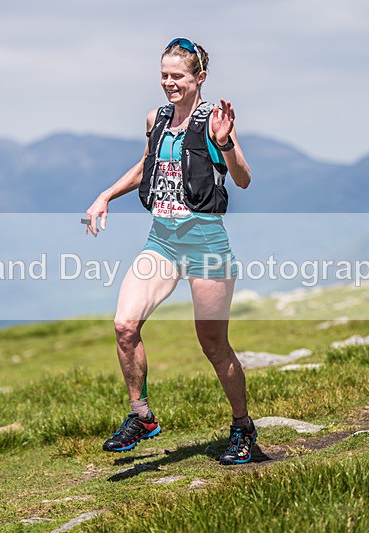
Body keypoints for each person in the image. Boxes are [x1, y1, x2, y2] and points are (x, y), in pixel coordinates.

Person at [84, 38, 254, 465]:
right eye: (163, 75)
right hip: (162, 241)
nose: (168, 83)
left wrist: (226, 142)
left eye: (177, 76)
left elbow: (244, 179)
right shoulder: (155, 119)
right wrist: (106, 195)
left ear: (199, 78)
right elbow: (148, 164)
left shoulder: (214, 120)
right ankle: (141, 415)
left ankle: (242, 427)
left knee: (213, 344)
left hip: (206, 244)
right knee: (125, 325)